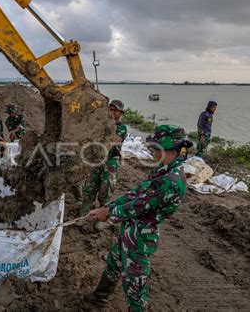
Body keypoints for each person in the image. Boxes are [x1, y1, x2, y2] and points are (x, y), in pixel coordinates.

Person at [84, 125, 193, 311]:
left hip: (140, 239)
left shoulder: (171, 181)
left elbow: (138, 206)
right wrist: (107, 207)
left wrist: (108, 214)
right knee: (114, 263)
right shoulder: (163, 170)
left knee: (135, 285)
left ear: (169, 149)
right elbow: (135, 193)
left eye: (155, 149)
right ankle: (99, 297)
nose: (152, 153)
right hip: (130, 230)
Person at [77, 99, 127, 230]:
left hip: (110, 161)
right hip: (96, 160)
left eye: (115, 110)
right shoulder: (101, 124)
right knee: (89, 187)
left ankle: (100, 218)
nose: (112, 112)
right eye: (110, 110)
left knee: (106, 187)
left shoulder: (121, 128)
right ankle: (83, 215)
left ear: (120, 113)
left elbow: (114, 142)